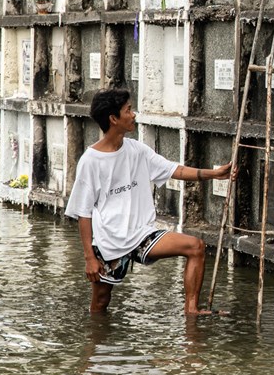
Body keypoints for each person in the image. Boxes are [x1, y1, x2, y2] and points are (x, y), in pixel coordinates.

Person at [65, 88, 232, 315]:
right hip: (110, 241)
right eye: (128, 110)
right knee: (101, 303)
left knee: (196, 246)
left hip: (142, 235)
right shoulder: (91, 161)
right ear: (114, 119)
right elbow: (83, 213)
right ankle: (94, 344)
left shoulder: (136, 150)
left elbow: (175, 170)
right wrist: (89, 258)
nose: (133, 115)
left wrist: (213, 174)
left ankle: (191, 310)